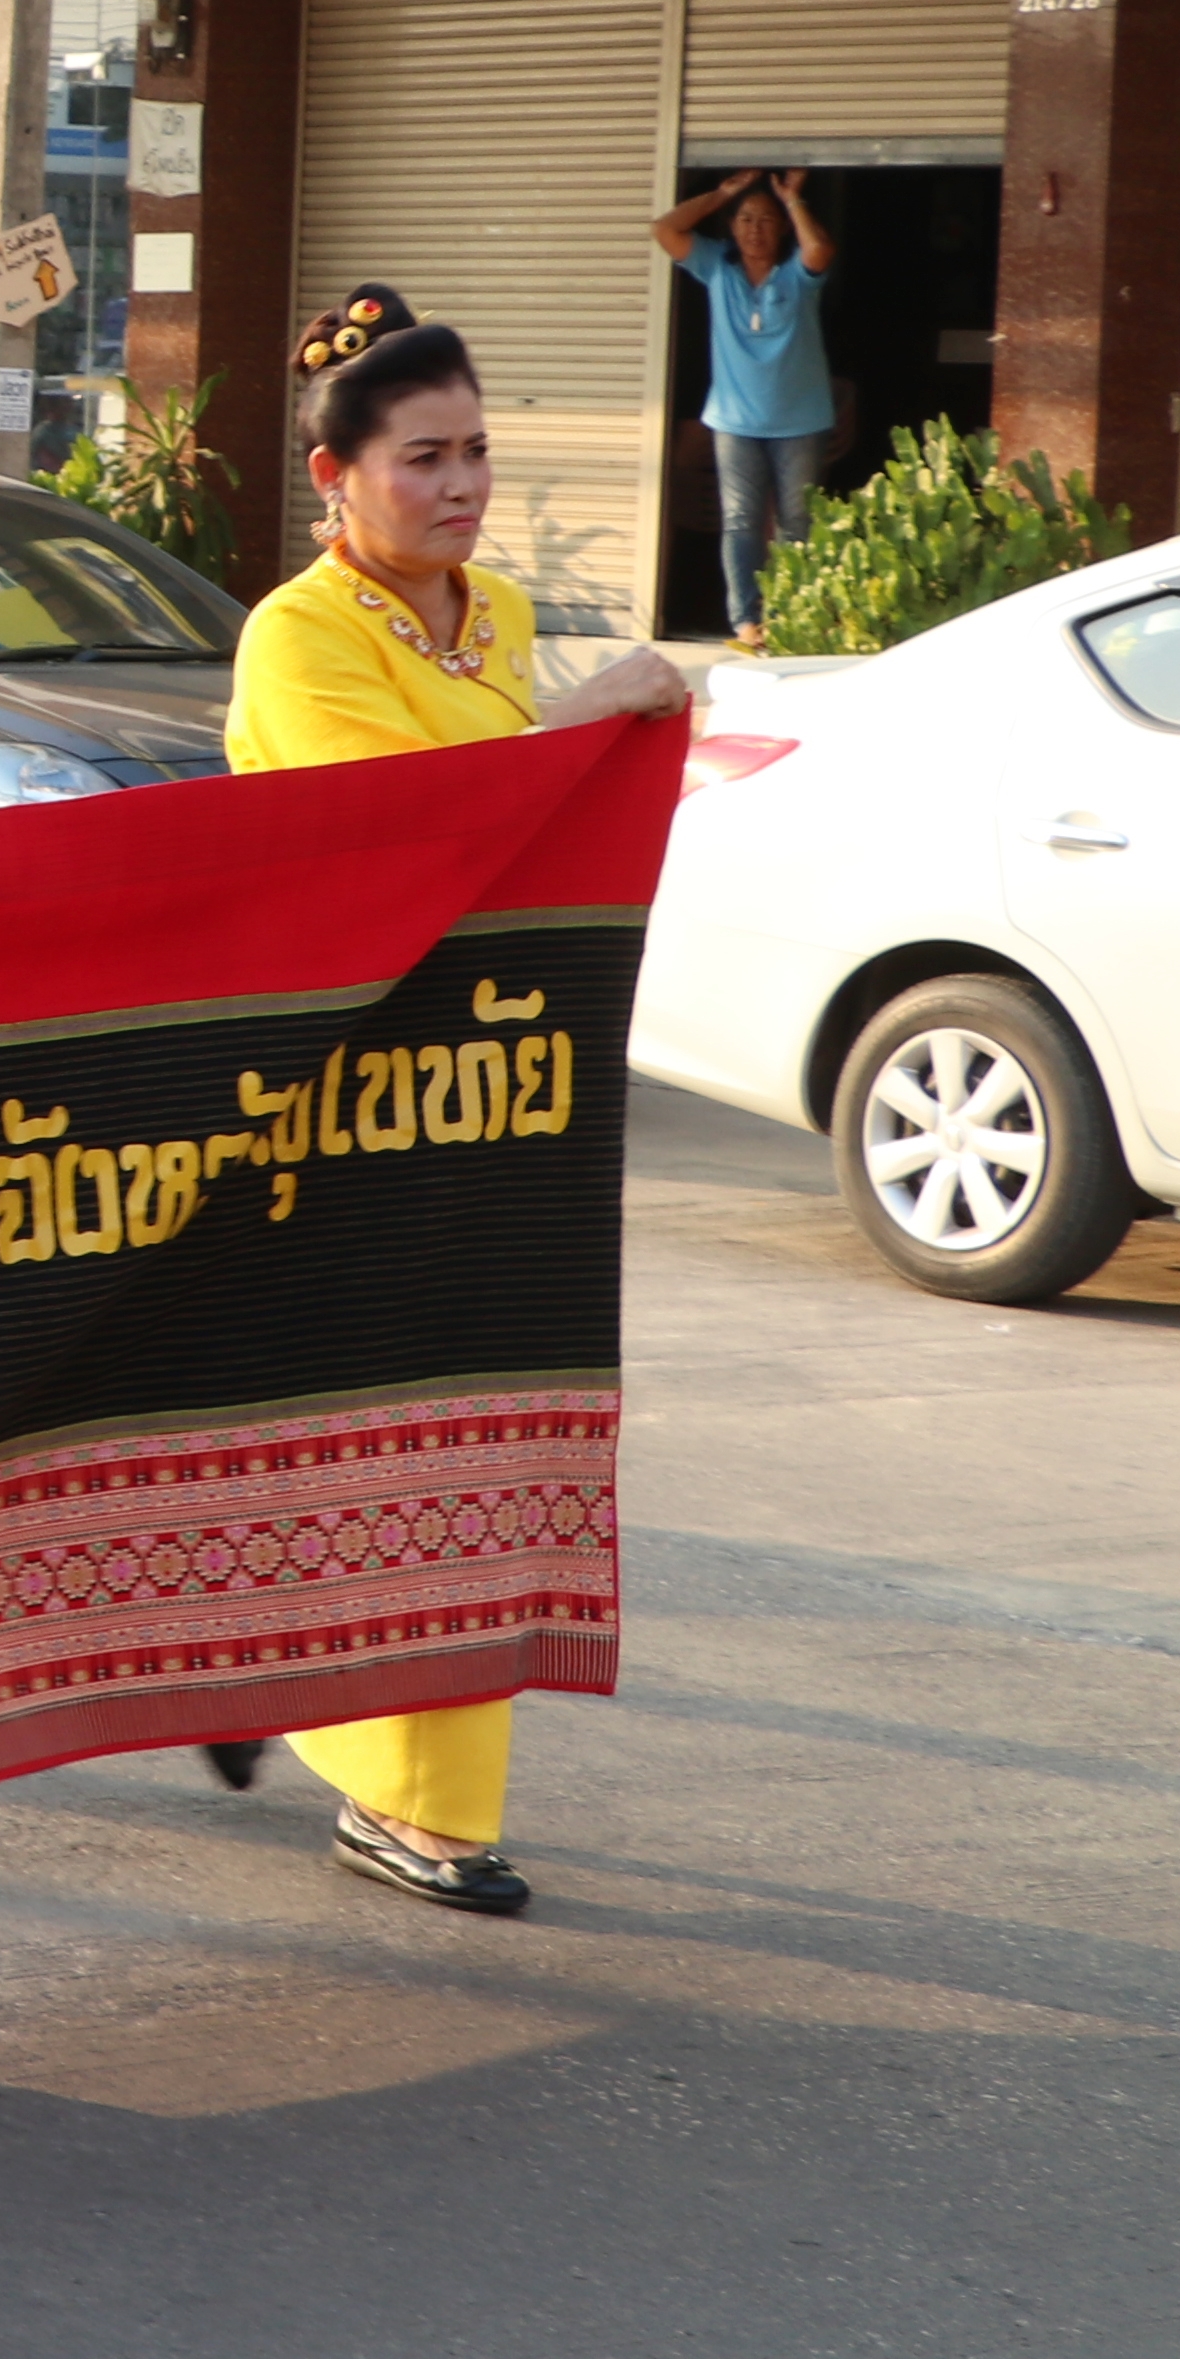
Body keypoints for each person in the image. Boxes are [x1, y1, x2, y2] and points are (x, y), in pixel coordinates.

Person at [207, 285, 691, 1915]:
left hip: (485, 1099)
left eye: (478, 450)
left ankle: (352, 1737)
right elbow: (420, 826)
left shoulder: (486, 619)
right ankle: (393, 1783)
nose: (462, 483)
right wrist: (589, 715)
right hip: (341, 1107)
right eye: (424, 458)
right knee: (387, 1446)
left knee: (466, 1439)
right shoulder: (299, 636)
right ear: (334, 473)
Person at [654, 169, 838, 646]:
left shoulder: (798, 274)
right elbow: (664, 229)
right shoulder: (717, 266)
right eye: (745, 219)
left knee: (796, 524)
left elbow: (820, 251)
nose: (755, 229)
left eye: (766, 220)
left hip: (800, 422)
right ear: (731, 228)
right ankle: (747, 621)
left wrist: (792, 201)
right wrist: (722, 195)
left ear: (781, 229)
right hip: (734, 423)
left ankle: (791, 612)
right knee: (740, 523)